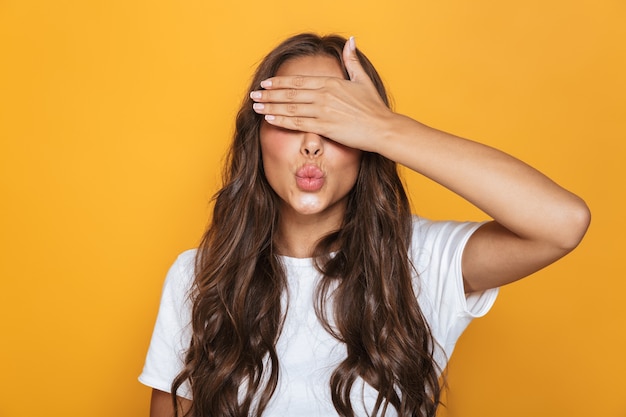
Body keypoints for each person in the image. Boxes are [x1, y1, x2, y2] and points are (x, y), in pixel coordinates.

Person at [138, 33, 590, 417]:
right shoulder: (197, 277)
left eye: (336, 121)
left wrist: (386, 129)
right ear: (256, 137)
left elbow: (562, 223)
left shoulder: (420, 262)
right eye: (293, 117)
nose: (312, 143)